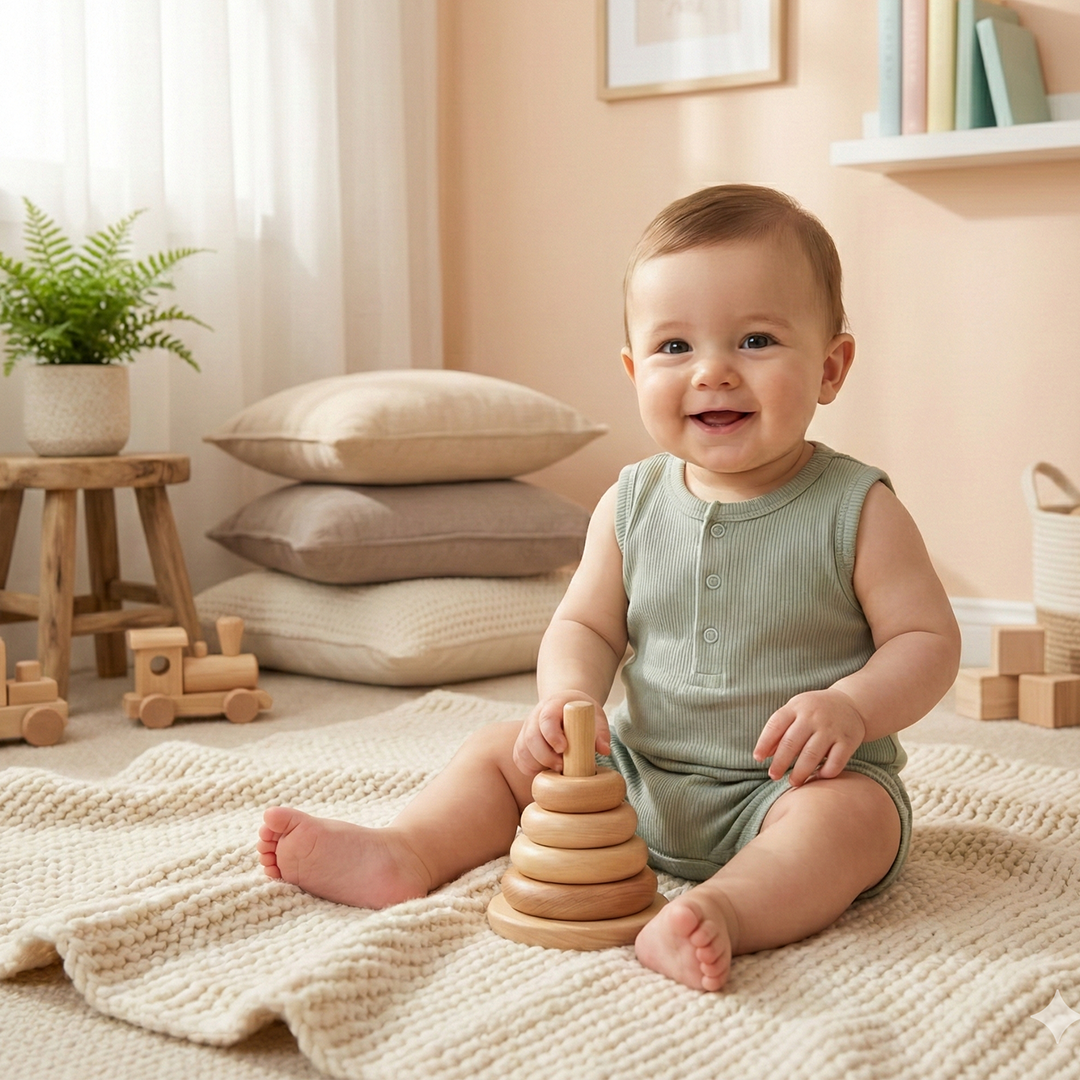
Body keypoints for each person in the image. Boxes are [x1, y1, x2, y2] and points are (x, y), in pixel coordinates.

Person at [258, 185, 961, 992]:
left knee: (852, 824)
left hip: (790, 789)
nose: (713, 372)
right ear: (633, 370)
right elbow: (586, 628)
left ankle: (723, 912)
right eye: (673, 348)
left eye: (757, 339)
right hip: (633, 779)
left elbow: (928, 643)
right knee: (495, 754)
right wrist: (564, 703)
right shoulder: (631, 504)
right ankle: (404, 851)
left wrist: (854, 706)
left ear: (831, 366)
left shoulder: (857, 507)